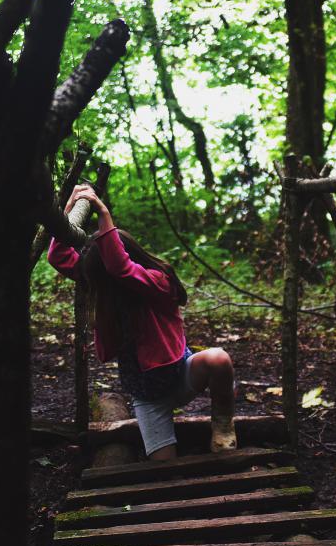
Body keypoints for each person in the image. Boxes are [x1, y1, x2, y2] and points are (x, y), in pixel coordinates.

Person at [47, 183, 236, 459]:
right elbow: (58, 256)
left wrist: (103, 213)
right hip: (149, 399)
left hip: (181, 376)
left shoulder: (158, 282)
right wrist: (68, 212)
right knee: (164, 468)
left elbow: (120, 268)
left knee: (219, 359)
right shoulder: (104, 285)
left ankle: (223, 424)